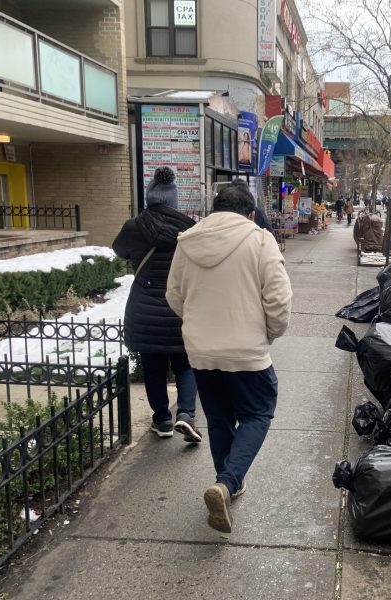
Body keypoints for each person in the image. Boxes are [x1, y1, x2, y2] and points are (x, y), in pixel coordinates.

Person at [166, 180, 292, 533]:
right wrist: (268, 333)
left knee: (219, 419)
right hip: (247, 352)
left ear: (214, 210)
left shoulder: (187, 242)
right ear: (250, 213)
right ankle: (227, 482)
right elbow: (279, 301)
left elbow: (174, 296)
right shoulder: (260, 239)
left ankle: (226, 484)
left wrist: (198, 325)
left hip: (201, 351)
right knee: (258, 412)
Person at [112, 166, 201, 443]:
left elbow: (119, 251)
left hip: (145, 309)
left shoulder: (134, 227)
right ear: (175, 200)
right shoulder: (189, 229)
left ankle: (162, 419)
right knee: (186, 363)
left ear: (150, 198)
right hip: (180, 308)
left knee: (153, 365)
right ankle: (186, 414)